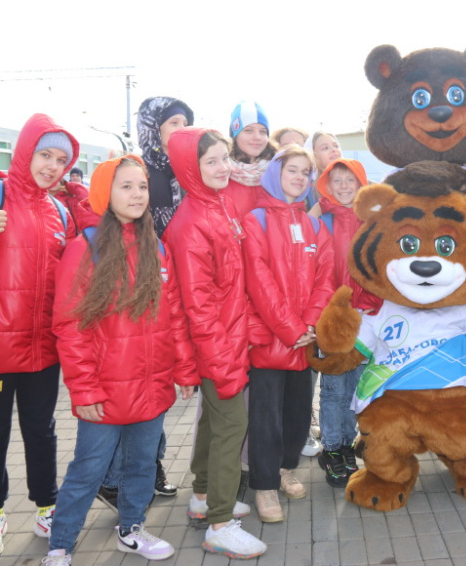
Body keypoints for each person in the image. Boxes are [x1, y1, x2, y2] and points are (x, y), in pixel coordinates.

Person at [44, 155, 198, 565]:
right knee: (87, 471)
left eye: (142, 186)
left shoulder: (157, 247)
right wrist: (84, 389)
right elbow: (70, 327)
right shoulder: (85, 248)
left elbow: (176, 314)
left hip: (153, 384)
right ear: (104, 193)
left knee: (143, 466)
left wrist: (184, 369)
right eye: (126, 186)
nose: (137, 194)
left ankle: (131, 529)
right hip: (105, 391)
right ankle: (60, 545)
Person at [164, 128, 266, 559]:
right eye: (212, 161)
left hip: (228, 338)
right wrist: (222, 361)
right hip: (215, 345)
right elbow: (197, 308)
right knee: (231, 427)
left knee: (211, 425)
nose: (224, 167)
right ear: (191, 168)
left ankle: (204, 496)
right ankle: (220, 524)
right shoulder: (190, 224)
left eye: (225, 158)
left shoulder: (217, 205)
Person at [241, 146, 335, 521]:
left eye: (304, 172)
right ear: (275, 173)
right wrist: (290, 328)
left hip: (304, 340)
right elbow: (258, 279)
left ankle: (285, 470)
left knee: (298, 413)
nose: (299, 177)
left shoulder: (313, 224)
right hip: (269, 338)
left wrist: (310, 324)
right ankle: (264, 487)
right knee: (265, 418)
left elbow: (326, 277)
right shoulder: (256, 219)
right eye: (291, 170)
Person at [0, 114, 78, 554]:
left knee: (42, 430)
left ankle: (47, 508)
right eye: (44, 155)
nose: (52, 166)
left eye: (61, 160)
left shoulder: (59, 211)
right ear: (26, 152)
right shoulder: (0, 194)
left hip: (42, 349)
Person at [310, 158, 380, 486]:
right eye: (335, 180)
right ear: (326, 183)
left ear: (360, 182)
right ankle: (332, 447)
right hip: (332, 317)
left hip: (365, 315)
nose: (342, 186)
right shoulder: (319, 218)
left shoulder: (371, 218)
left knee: (355, 385)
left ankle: (348, 443)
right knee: (333, 388)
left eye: (348, 180)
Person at [137, 96, 194, 237]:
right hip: (149, 254)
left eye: (185, 124)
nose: (182, 129)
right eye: (174, 123)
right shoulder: (137, 171)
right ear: (154, 129)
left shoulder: (191, 171)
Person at [225, 101, 277, 215]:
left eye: (263, 131)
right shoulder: (221, 173)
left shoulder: (278, 172)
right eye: (248, 130)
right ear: (235, 135)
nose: (257, 137)